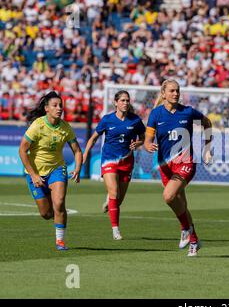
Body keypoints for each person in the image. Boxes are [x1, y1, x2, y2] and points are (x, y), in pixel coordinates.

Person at [144, 79, 212, 257]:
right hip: (165, 166)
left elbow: (207, 123)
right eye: (172, 91)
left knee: (168, 196)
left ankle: (184, 228)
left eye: (177, 90)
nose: (175, 93)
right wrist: (148, 145)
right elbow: (147, 140)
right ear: (163, 93)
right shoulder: (156, 114)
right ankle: (195, 240)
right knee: (180, 204)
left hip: (186, 162)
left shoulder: (188, 112)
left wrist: (207, 149)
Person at [18, 91, 82, 251]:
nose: (59, 108)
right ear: (47, 108)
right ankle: (59, 216)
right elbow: (22, 150)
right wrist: (33, 174)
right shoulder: (37, 126)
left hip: (57, 169)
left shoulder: (65, 127)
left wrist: (78, 168)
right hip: (36, 173)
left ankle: (60, 241)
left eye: (60, 105)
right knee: (46, 214)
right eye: (55, 105)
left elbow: (77, 151)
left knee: (59, 203)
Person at [83, 90, 146, 240]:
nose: (125, 103)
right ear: (116, 103)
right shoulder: (107, 120)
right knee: (114, 193)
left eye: (127, 100)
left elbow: (143, 138)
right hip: (109, 160)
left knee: (118, 200)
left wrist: (138, 143)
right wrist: (85, 154)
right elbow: (93, 138)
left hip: (126, 162)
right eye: (122, 100)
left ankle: (109, 201)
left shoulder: (135, 120)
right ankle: (115, 230)